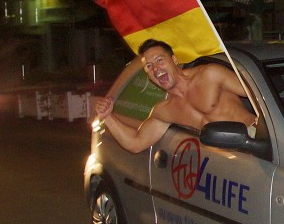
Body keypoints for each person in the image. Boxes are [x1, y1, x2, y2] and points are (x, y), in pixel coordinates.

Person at [94, 39, 257, 153]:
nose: (156, 69)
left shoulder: (210, 74)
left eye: (160, 60)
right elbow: (136, 143)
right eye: (149, 67)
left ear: (174, 59)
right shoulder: (164, 110)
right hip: (225, 159)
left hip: (255, 141)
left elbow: (258, 96)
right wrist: (107, 117)